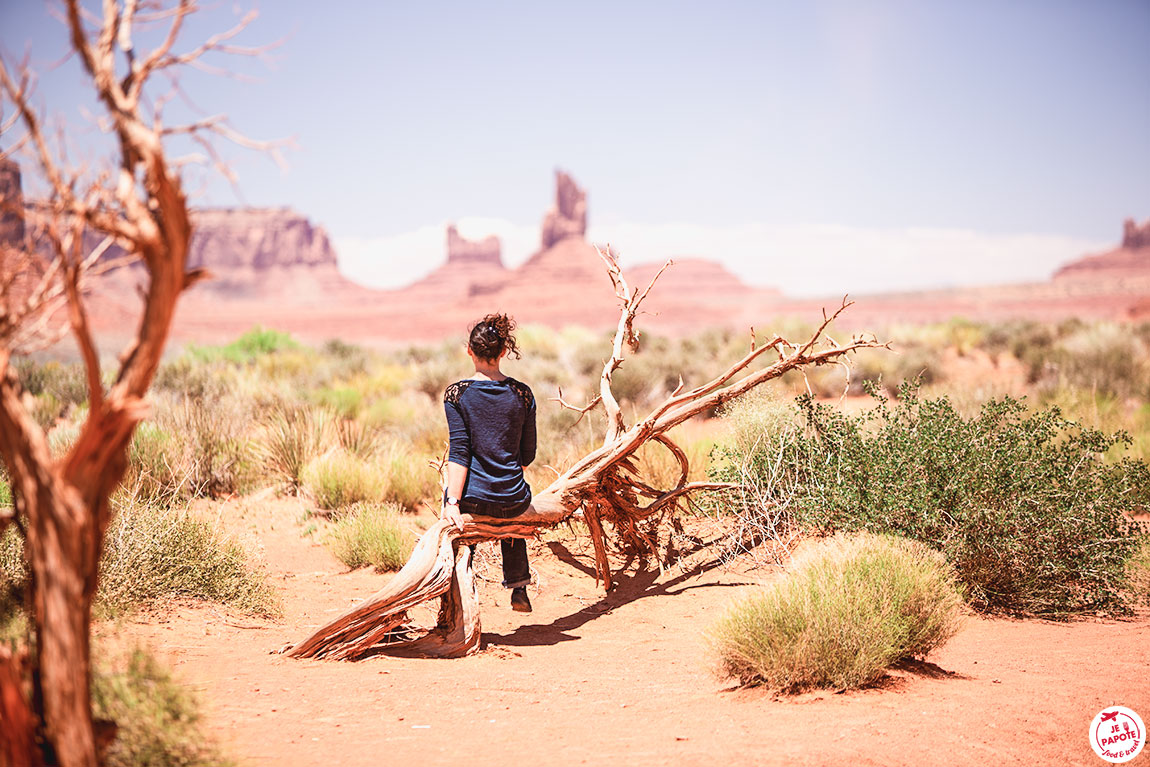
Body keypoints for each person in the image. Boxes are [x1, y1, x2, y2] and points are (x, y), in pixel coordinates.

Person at [442, 313, 537, 613]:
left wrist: (452, 502)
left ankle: (457, 593)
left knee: (458, 529)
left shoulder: (456, 395)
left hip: (474, 502)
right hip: (513, 500)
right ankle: (519, 585)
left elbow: (459, 453)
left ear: (470, 351)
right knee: (511, 502)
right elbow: (527, 456)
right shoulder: (522, 394)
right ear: (503, 353)